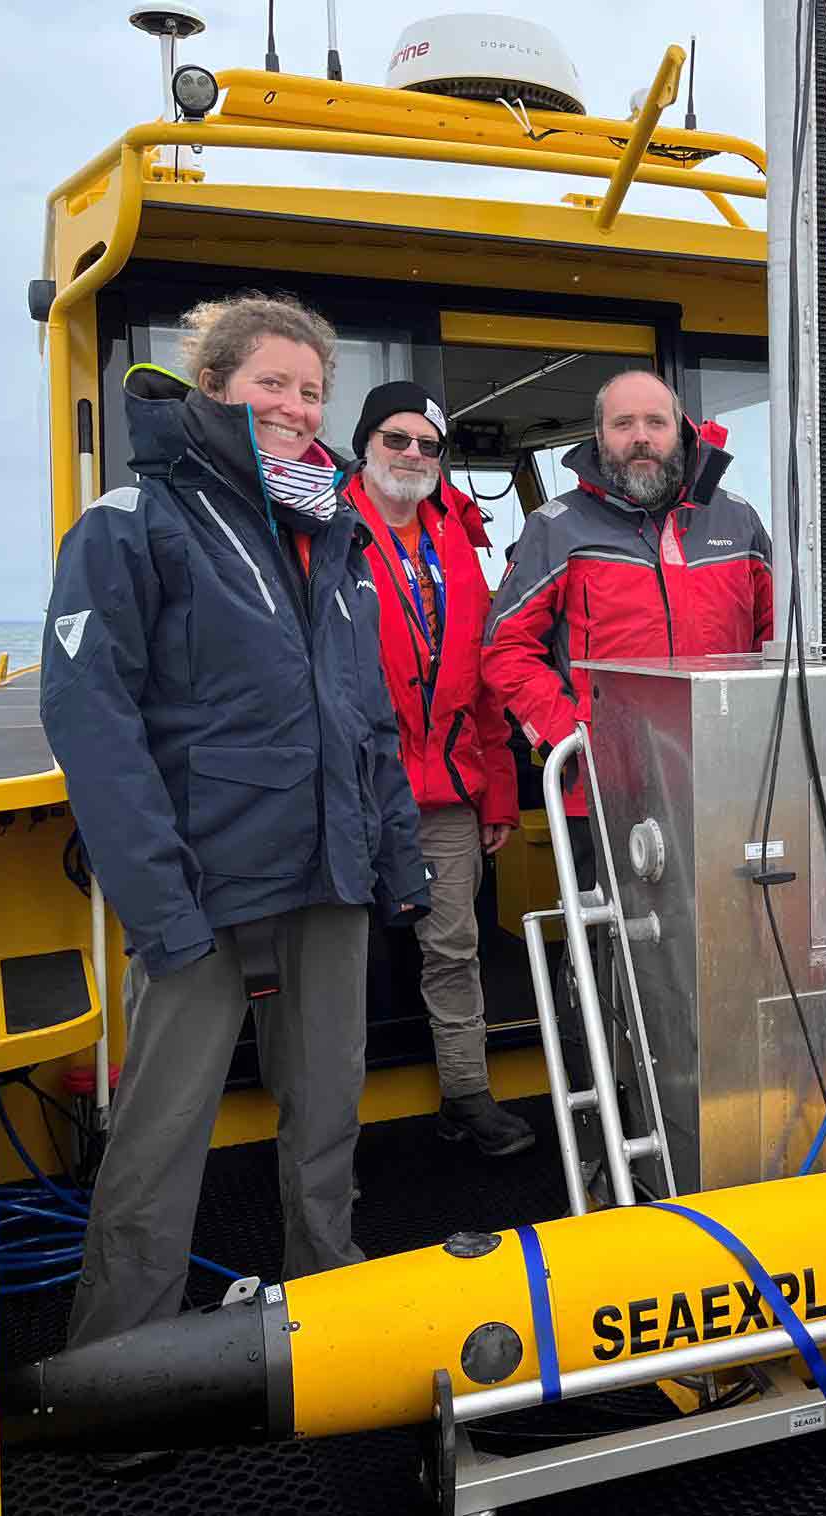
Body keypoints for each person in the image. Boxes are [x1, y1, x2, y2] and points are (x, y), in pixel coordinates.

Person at [41, 293, 428, 1354]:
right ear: (213, 386)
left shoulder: (333, 534)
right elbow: (92, 721)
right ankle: (119, 1362)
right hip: (201, 889)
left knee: (328, 1115)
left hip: (326, 874)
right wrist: (159, 903)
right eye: (274, 384)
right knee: (161, 1136)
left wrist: (395, 857)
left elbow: (367, 717)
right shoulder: (131, 523)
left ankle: (330, 1313)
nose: (297, 408)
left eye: (312, 392)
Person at [483, 369, 773, 1185]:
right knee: (614, 970)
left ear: (681, 430)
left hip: (729, 786)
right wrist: (569, 730)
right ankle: (623, 1149)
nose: (640, 438)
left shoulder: (740, 522)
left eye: (654, 422)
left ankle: (732, 1132)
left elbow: (780, 635)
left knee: (732, 961)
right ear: (599, 438)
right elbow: (505, 649)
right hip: (606, 795)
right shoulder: (557, 526)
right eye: (623, 426)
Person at [344, 381, 534, 1159]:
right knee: (330, 965)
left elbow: (485, 677)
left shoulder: (457, 534)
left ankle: (465, 1094)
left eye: (427, 445)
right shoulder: (318, 527)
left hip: (447, 792)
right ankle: (329, 1129)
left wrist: (496, 794)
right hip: (348, 792)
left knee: (454, 949)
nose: (413, 456)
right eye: (397, 439)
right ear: (364, 444)